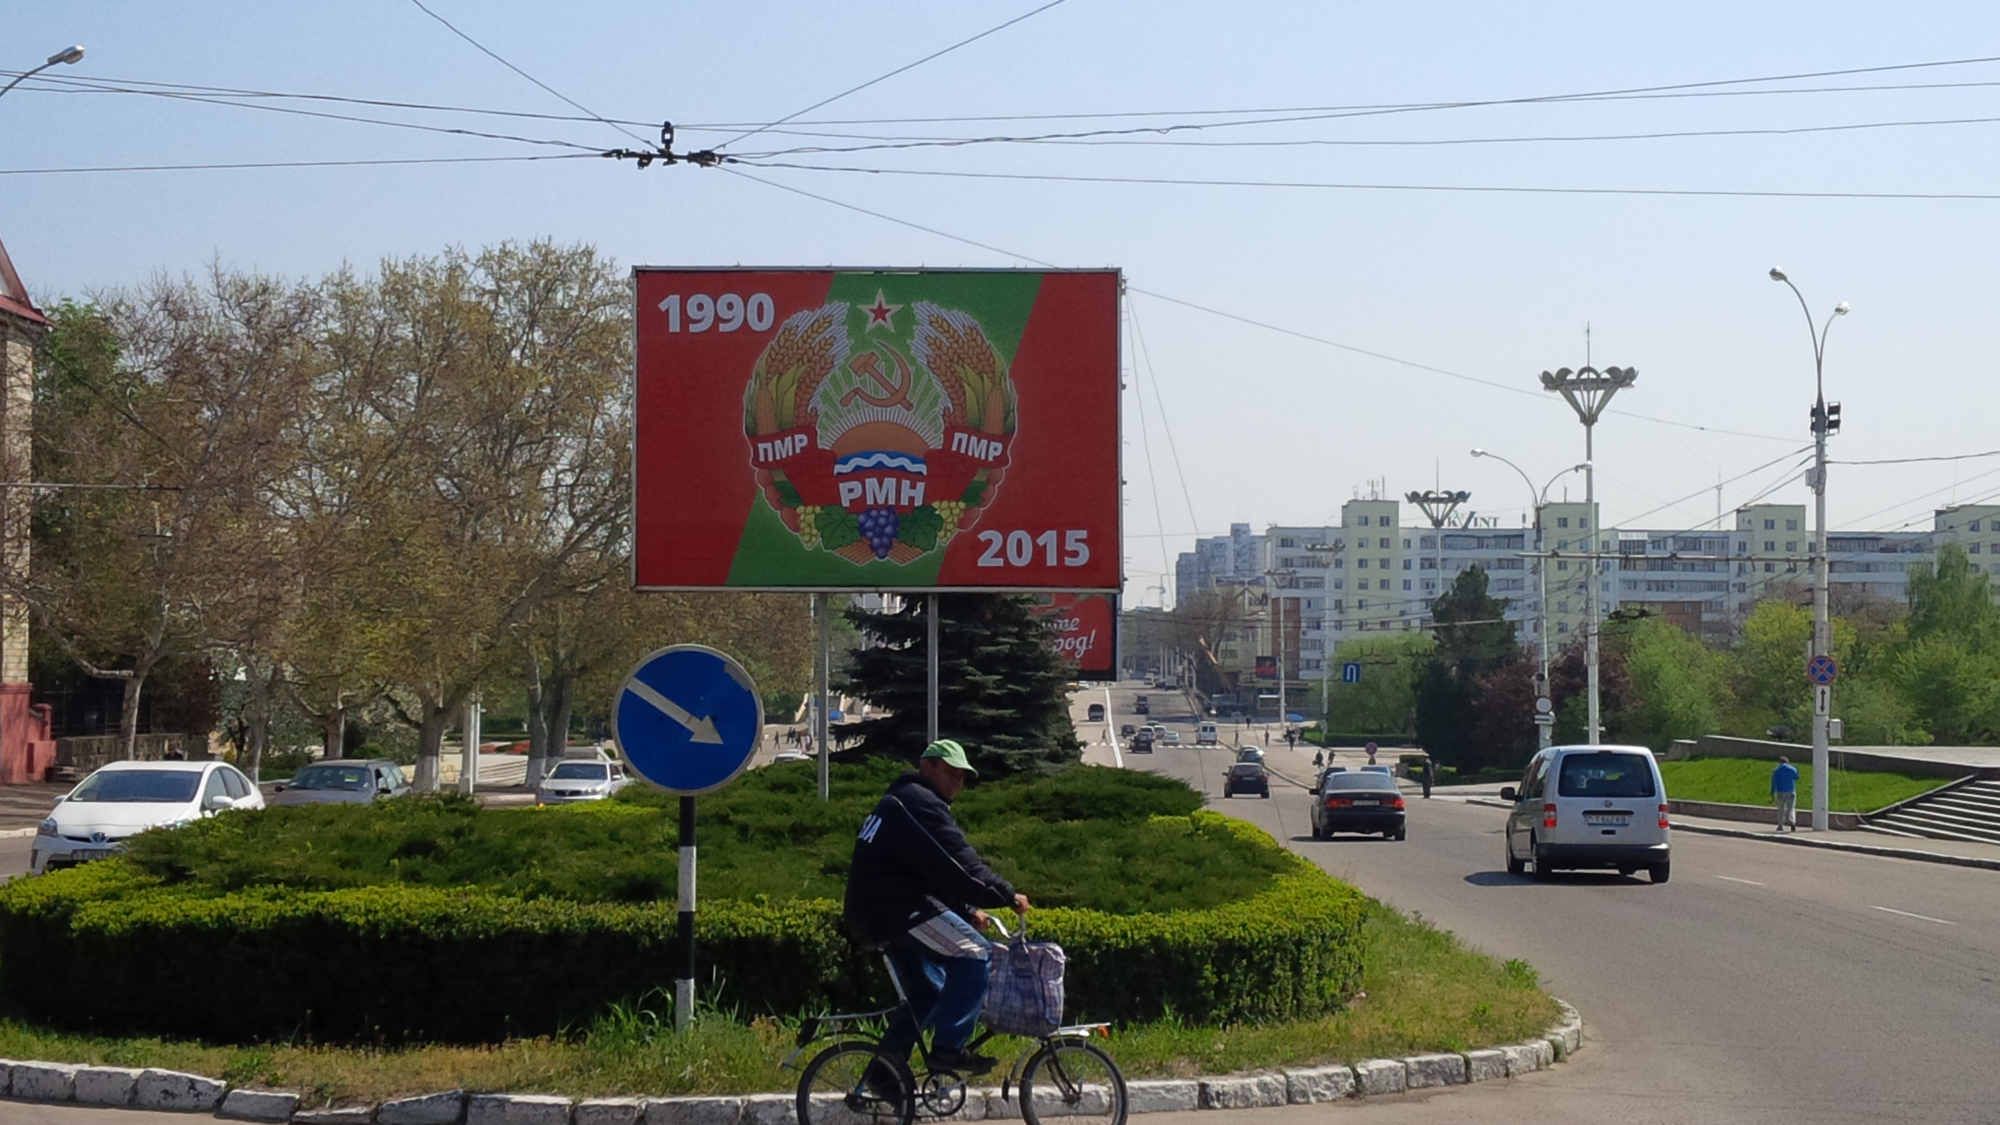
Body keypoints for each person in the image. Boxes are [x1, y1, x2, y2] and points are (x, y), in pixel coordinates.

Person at [844, 739, 1028, 1075]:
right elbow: (961, 864)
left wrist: (968, 910)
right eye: (952, 772)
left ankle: (883, 1077)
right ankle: (948, 1051)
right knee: (976, 954)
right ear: (926, 766)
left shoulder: (904, 801)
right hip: (895, 909)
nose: (958, 781)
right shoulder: (918, 803)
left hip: (879, 909)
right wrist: (1007, 895)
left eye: (963, 776)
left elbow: (932, 870)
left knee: (929, 990)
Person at [1771, 755, 1800, 832]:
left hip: (1780, 791)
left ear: (1780, 762)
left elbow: (1773, 783)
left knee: (1781, 809)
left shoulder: (1776, 771)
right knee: (1791, 808)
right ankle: (1792, 822)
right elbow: (1797, 777)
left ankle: (1780, 826)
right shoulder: (1793, 769)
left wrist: (1772, 793)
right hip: (1791, 791)